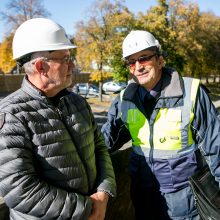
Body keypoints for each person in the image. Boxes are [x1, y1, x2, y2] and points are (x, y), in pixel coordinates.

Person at [0, 18, 116, 220]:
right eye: (65, 59)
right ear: (40, 66)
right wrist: (87, 208)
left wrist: (104, 192)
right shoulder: (12, 115)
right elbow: (19, 188)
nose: (73, 65)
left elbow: (99, 148)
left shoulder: (78, 103)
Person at [101, 30, 220, 220]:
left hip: (185, 202)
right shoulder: (124, 99)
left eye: (144, 58)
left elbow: (216, 148)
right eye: (131, 62)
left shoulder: (191, 93)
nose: (138, 66)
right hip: (143, 198)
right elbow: (106, 140)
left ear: (160, 60)